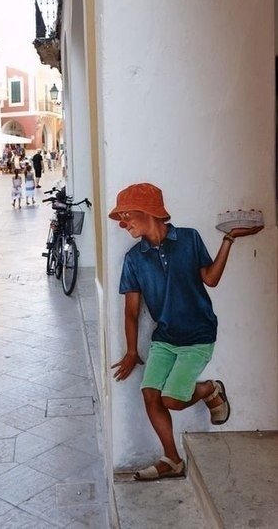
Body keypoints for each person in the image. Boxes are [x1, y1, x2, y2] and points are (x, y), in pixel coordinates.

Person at [108, 183, 263, 481]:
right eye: (121, 218)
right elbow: (131, 311)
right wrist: (131, 351)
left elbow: (210, 279)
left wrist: (229, 239)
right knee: (150, 394)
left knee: (172, 400)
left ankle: (210, 390)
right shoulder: (134, 259)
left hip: (198, 335)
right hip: (165, 339)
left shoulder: (189, 238)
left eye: (127, 216)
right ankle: (173, 460)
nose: (123, 224)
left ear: (149, 212)